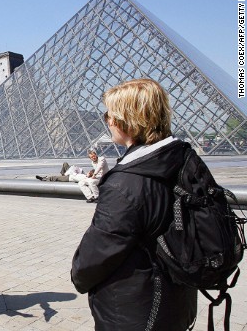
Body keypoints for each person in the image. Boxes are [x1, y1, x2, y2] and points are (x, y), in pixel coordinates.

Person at [71, 79, 197, 330]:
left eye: (110, 114)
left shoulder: (126, 182)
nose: (108, 121)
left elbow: (96, 255)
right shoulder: (184, 161)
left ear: (127, 119)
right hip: (176, 299)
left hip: (134, 309)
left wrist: (78, 275)